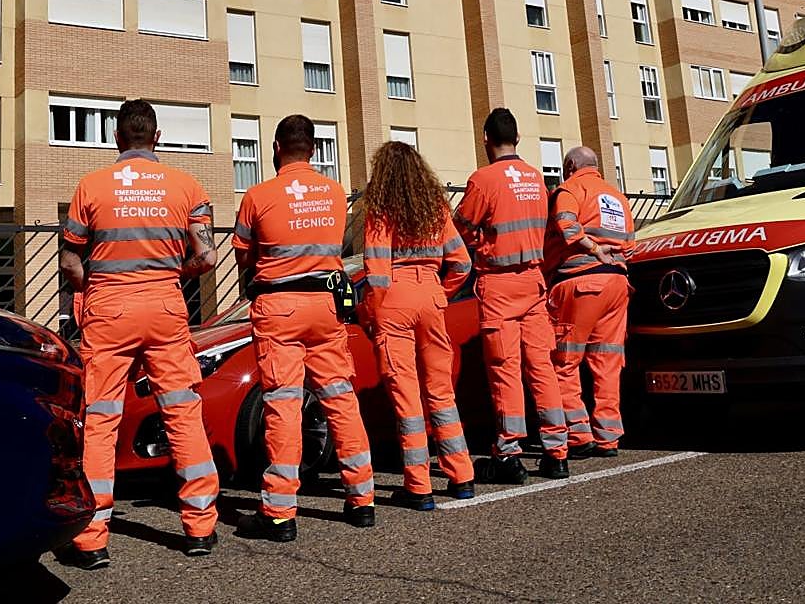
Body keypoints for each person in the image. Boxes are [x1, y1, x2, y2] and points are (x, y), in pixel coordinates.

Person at [58, 99, 220, 570]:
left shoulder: (91, 185)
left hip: (108, 306)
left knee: (102, 417)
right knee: (182, 410)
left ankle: (91, 539)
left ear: (115, 138)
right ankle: (200, 527)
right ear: (157, 137)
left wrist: (89, 286)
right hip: (166, 304)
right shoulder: (187, 186)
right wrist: (176, 272)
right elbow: (207, 258)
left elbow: (71, 261)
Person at [232, 114, 376, 541]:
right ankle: (362, 499)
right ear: (313, 149)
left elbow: (244, 254)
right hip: (326, 304)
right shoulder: (334, 194)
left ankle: (279, 511)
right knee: (340, 398)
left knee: (283, 403)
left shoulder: (258, 195)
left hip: (279, 307)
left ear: (277, 147)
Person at [359, 141, 476, 510]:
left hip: (394, 297)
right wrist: (440, 292)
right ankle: (461, 476)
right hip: (431, 296)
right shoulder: (436, 208)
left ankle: (419, 486)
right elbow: (462, 263)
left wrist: (373, 316)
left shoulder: (380, 211)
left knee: (406, 396)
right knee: (441, 393)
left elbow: (376, 272)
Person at [454, 108, 569, 484]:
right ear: (517, 139)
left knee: (505, 369)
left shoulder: (483, 179)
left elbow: (461, 229)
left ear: (486, 139)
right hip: (534, 282)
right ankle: (557, 451)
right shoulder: (537, 179)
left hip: (499, 283)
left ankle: (508, 452)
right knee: (542, 367)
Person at [543, 146, 635, 458]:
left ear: (569, 166)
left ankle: (579, 435)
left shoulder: (569, 190)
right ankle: (609, 437)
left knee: (565, 362)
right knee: (607, 362)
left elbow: (568, 227)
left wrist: (592, 248)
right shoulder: (617, 196)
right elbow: (630, 243)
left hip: (579, 281)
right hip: (617, 284)